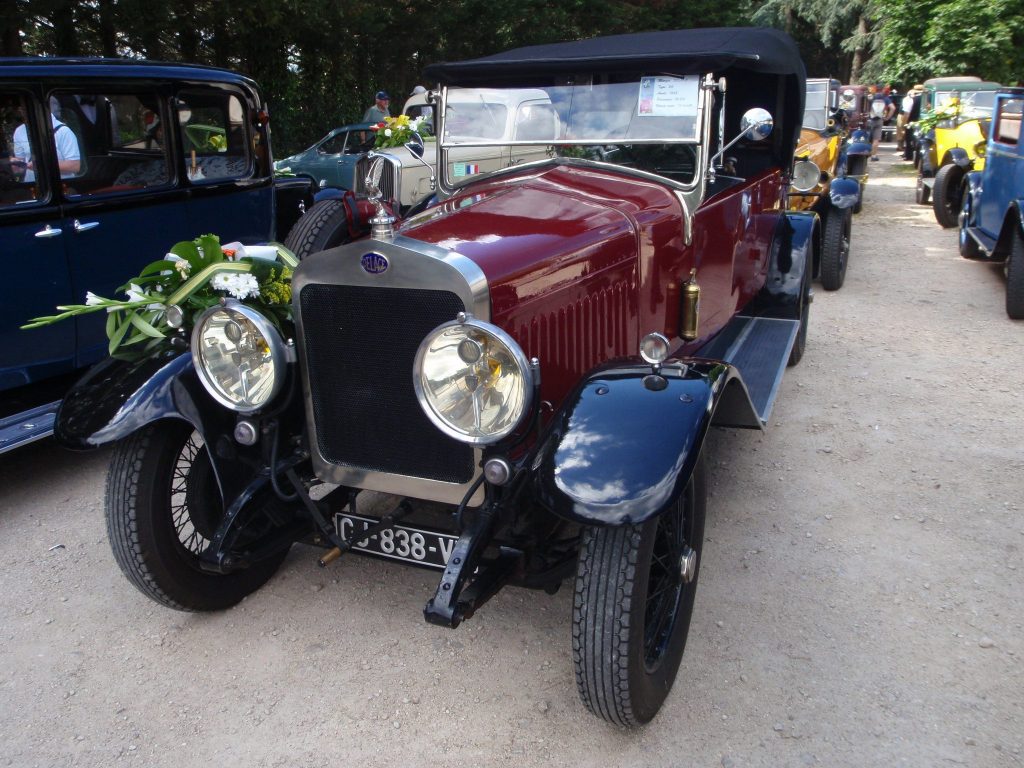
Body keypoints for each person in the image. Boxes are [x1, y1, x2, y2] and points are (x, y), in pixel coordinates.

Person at [11, 101, 80, 181]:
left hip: (60, 185)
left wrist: (43, 166)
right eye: (22, 109)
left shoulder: (64, 131)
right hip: (33, 186)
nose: (23, 112)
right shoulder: (19, 131)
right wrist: (14, 164)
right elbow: (21, 163)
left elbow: (75, 166)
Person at [867, 85, 895, 161]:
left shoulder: (871, 97)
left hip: (869, 120)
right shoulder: (885, 98)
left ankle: (865, 154)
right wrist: (887, 117)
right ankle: (874, 156)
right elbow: (893, 108)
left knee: (866, 137)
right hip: (879, 120)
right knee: (876, 139)